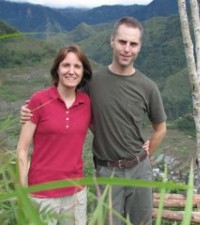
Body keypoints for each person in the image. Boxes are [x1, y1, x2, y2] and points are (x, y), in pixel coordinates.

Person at [21, 16, 167, 225]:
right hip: (107, 170)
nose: (127, 49)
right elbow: (61, 98)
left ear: (139, 47)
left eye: (133, 44)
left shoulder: (148, 86)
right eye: (122, 42)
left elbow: (160, 128)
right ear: (112, 41)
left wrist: (146, 154)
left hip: (139, 170)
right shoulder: (92, 82)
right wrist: (29, 110)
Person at [17, 44, 92, 225]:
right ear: (57, 69)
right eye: (66, 65)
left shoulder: (86, 102)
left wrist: (139, 144)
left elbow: (108, 130)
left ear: (83, 72)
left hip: (75, 193)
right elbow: (22, 148)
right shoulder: (39, 100)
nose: (71, 71)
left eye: (77, 66)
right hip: (42, 193)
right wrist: (22, 191)